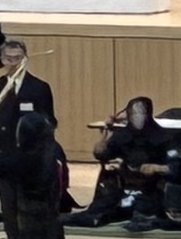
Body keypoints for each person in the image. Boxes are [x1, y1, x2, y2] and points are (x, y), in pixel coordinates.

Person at [0, 41, 57, 239]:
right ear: (2, 60)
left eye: (18, 58)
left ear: (25, 59)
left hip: (29, 161)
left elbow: (50, 123)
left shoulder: (38, 88)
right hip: (4, 159)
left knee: (29, 209)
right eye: (9, 59)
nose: (13, 63)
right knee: (9, 210)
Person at [69, 97, 170, 227]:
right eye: (134, 113)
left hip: (151, 187)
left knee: (144, 213)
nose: (138, 117)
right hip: (124, 186)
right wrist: (107, 131)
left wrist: (157, 168)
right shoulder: (123, 134)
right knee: (99, 211)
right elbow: (100, 154)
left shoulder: (162, 136)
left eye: (142, 113)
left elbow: (175, 167)